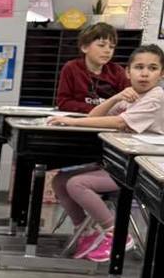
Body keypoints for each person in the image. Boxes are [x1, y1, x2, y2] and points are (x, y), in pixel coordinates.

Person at [49, 43, 164, 262]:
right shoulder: (132, 96)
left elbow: (120, 122)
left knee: (77, 183)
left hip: (142, 172)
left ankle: (117, 235)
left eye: (152, 68)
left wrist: (71, 122)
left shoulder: (156, 96)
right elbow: (94, 115)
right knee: (61, 181)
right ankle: (86, 233)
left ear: (161, 74)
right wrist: (116, 96)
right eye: (139, 67)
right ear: (127, 72)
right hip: (120, 164)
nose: (145, 73)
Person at [55, 22, 130, 114]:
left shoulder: (117, 71)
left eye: (111, 47)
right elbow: (64, 102)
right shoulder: (71, 68)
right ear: (84, 47)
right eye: (101, 45)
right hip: (80, 118)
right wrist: (97, 110)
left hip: (107, 120)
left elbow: (128, 99)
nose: (107, 51)